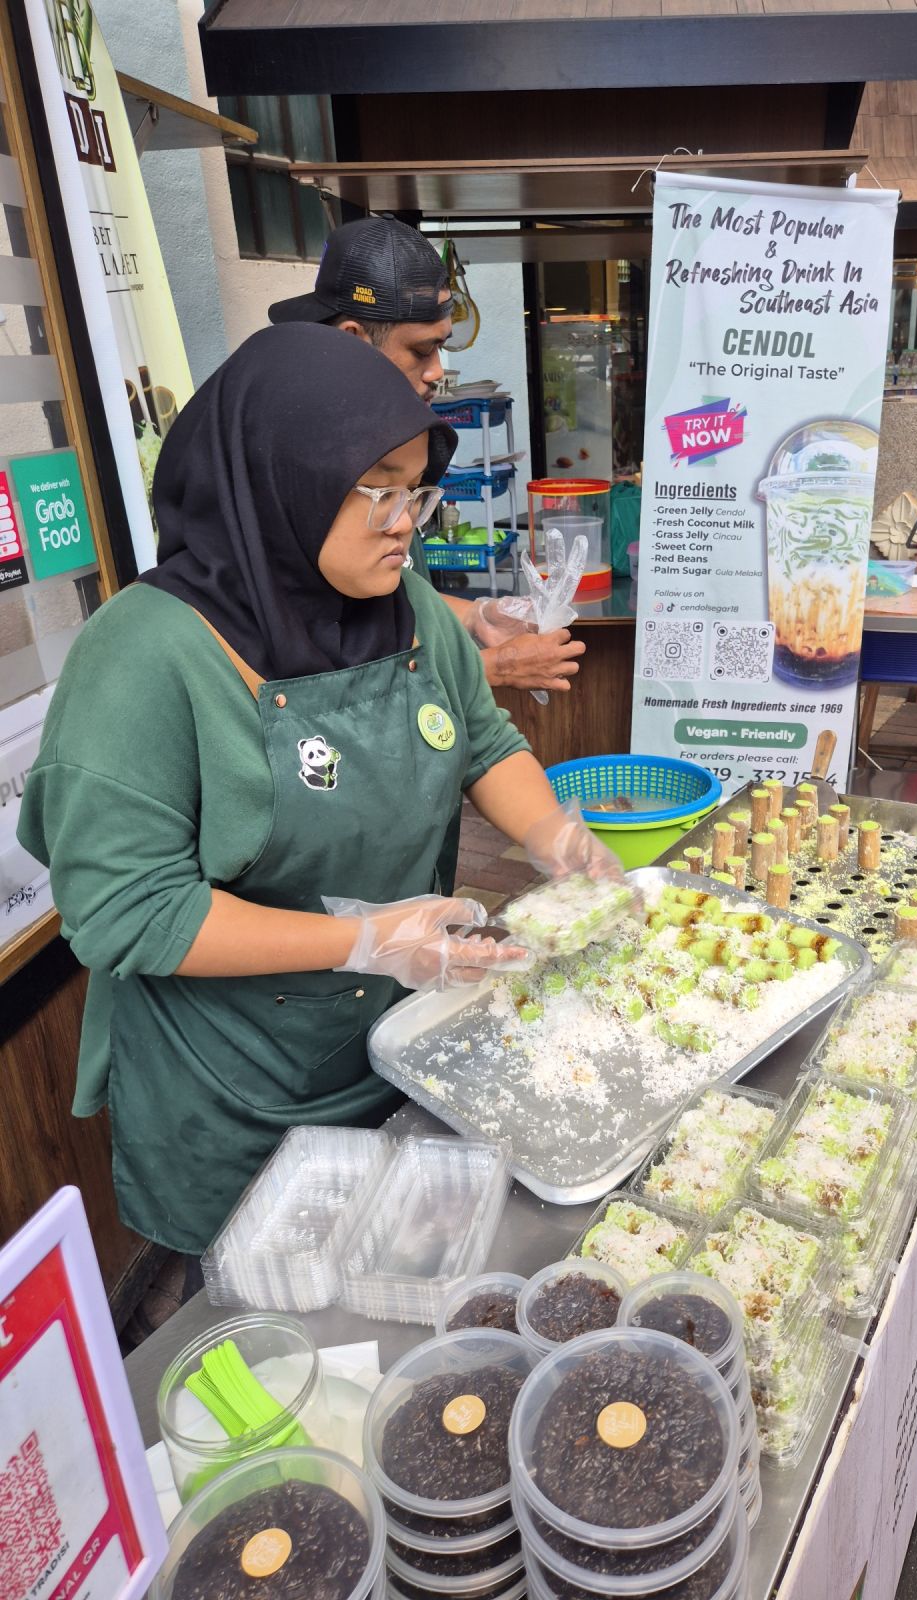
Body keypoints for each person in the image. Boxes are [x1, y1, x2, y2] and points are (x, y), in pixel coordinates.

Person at [17, 324, 622, 1257]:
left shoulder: (407, 605)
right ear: (275, 481)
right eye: (374, 488)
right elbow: (131, 913)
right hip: (235, 1087)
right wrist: (368, 940)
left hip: (397, 1043)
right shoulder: (143, 656)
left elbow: (482, 739)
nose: (402, 521)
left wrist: (553, 836)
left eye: (415, 488)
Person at [268, 217, 584, 698]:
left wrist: (477, 618)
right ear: (355, 339)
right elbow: (315, 672)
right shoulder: (299, 462)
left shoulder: (384, 435)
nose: (438, 371)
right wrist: (485, 670)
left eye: (414, 492)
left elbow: (395, 594)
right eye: (422, 350)